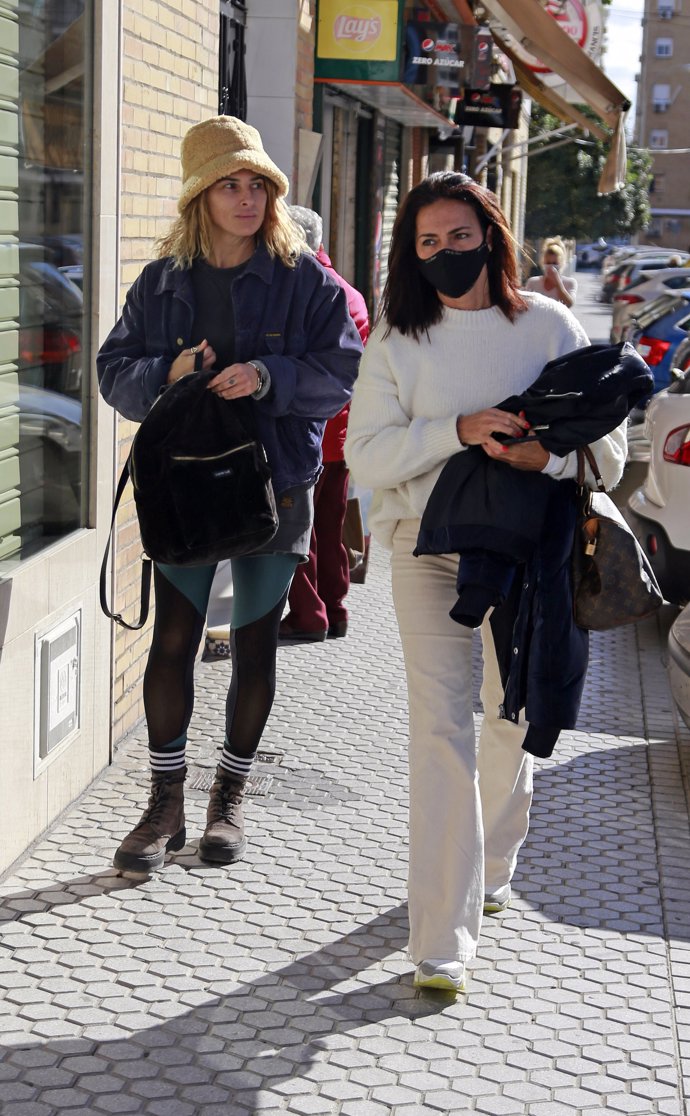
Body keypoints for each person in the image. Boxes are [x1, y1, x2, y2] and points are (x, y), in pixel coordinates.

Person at [345, 171, 626, 994]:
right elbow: (367, 454)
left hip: (528, 554)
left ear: (491, 236)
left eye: (458, 236)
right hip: (426, 551)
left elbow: (607, 454)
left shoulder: (548, 326)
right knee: (440, 730)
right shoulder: (397, 334)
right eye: (426, 242)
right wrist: (454, 431)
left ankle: (494, 859)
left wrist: (550, 455)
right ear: (410, 252)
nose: (443, 252)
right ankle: (440, 937)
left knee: (511, 716)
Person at [97, 115, 362, 877]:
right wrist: (169, 373)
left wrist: (269, 377)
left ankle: (228, 802)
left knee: (253, 642)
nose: (246, 199)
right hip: (183, 488)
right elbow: (117, 371)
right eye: (229, 185)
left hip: (275, 485)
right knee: (173, 639)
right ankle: (164, 804)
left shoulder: (304, 276)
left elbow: (342, 370)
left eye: (257, 186)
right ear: (200, 197)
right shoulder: (163, 281)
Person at [278, 205, 370, 641]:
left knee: (300, 529)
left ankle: (310, 613)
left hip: (310, 430)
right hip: (343, 432)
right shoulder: (350, 291)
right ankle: (335, 608)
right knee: (329, 525)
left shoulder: (307, 292)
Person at [524, 237, 576, 307]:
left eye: (555, 263)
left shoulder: (569, 283)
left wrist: (558, 284)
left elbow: (569, 304)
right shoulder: (533, 282)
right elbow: (525, 305)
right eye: (548, 263)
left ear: (561, 263)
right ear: (543, 262)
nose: (551, 266)